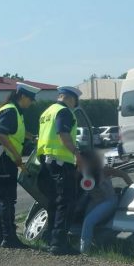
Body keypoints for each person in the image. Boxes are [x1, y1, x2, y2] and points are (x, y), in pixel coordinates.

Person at [0, 82, 39, 248]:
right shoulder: (10, 111)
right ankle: (9, 238)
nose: (31, 103)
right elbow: (1, 134)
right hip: (2, 158)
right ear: (22, 96)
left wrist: (32, 137)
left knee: (0, 198)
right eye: (30, 99)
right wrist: (17, 156)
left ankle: (1, 237)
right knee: (7, 199)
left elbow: (16, 133)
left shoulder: (13, 111)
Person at [36, 86, 83, 255]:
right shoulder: (64, 112)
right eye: (76, 101)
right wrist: (77, 154)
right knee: (66, 202)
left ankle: (50, 238)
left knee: (54, 202)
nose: (75, 105)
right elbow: (63, 134)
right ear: (71, 99)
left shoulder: (47, 112)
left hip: (46, 163)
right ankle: (59, 243)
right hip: (61, 163)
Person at [79, 150, 132, 254]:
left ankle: (84, 251)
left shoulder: (103, 170)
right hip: (94, 202)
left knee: (88, 221)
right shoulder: (81, 172)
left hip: (109, 201)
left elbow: (123, 174)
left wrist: (132, 187)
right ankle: (92, 244)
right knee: (86, 221)